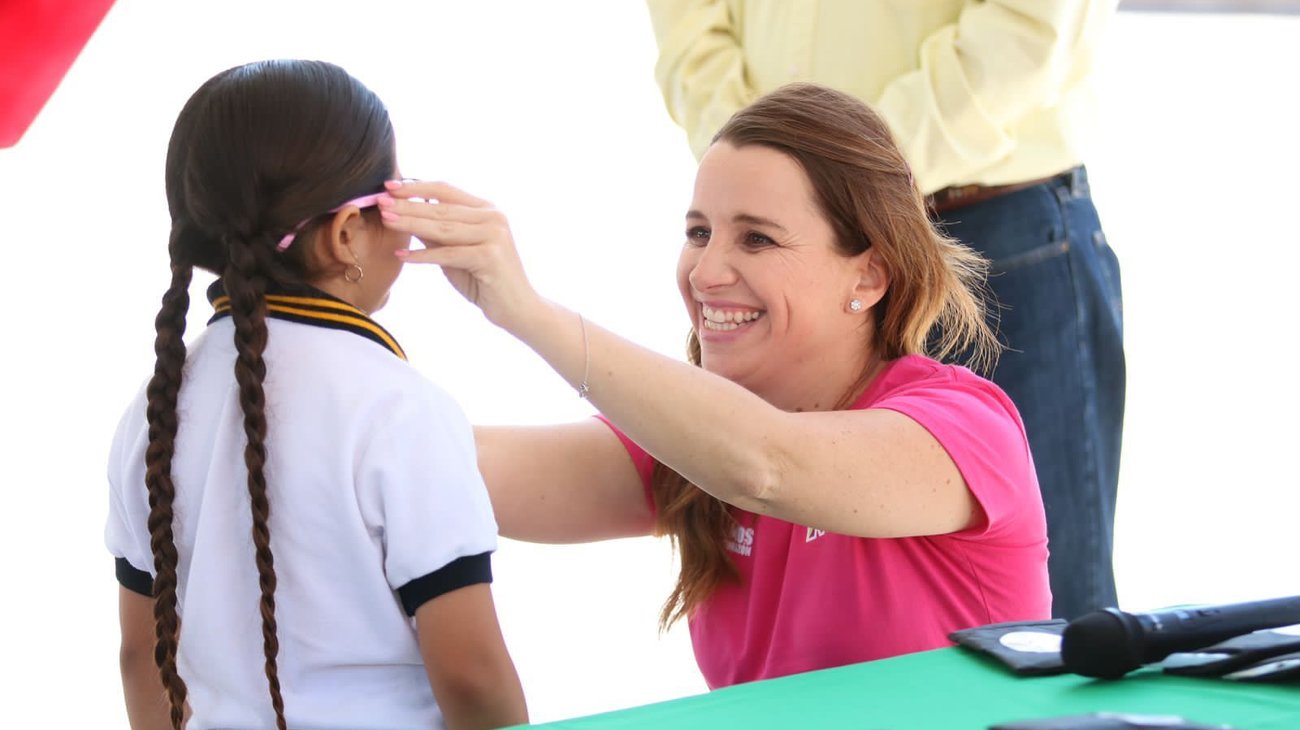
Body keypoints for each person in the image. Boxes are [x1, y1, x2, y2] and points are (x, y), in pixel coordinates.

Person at [381, 83, 1050, 689]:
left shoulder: (963, 428)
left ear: (869, 278)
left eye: (756, 240)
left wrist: (527, 312)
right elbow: (441, 471)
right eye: (699, 232)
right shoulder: (697, 441)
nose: (706, 272)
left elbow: (765, 466)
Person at [645, 0, 1127, 620]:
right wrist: (762, 167)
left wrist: (844, 176)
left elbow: (1030, 29)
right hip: (790, 247)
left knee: (1064, 625)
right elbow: (690, 29)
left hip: (994, 220)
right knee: (810, 595)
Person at [104, 60, 527, 730]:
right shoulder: (400, 411)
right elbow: (473, 679)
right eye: (393, 194)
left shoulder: (152, 413)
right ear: (346, 235)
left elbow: (140, 657)